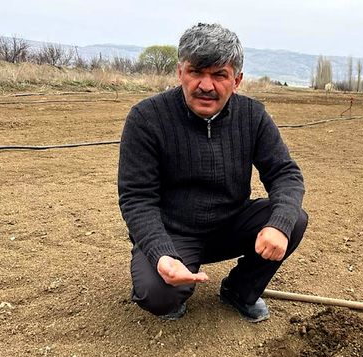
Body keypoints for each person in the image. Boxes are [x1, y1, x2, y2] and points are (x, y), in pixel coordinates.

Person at [118, 23, 308, 323]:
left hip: (230, 225)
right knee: (157, 295)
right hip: (174, 231)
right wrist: (161, 254)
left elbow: (285, 173)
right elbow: (136, 198)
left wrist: (279, 225)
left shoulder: (253, 116)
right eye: (196, 72)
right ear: (180, 72)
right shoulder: (146, 118)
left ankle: (239, 290)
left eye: (220, 74)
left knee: (292, 218)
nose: (206, 85)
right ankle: (173, 284)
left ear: (237, 80)